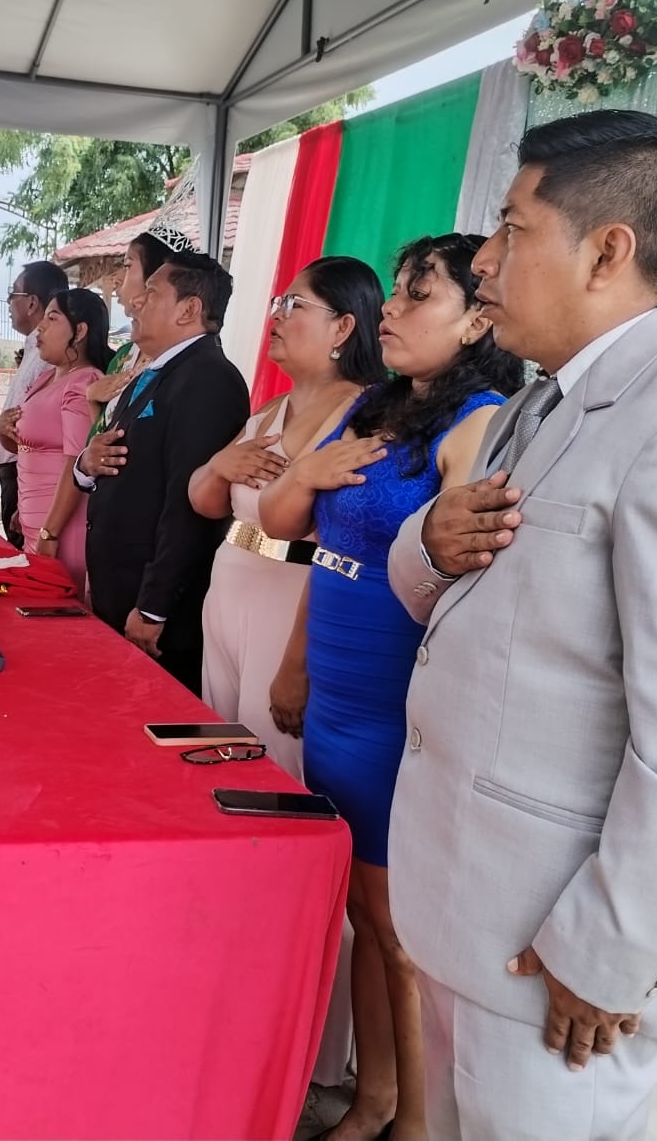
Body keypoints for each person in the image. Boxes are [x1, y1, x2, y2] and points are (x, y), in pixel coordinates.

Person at [385, 111, 657, 1141]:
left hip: (556, 962)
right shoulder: (535, 407)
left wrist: (610, 953)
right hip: (468, 907)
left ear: (607, 252)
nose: (484, 261)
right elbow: (454, 602)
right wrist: (429, 541)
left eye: (512, 227)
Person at [261, 234, 523, 1141]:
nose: (393, 312)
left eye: (418, 296)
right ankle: (373, 1097)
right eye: (397, 294)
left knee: (396, 929)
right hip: (333, 697)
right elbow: (289, 524)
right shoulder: (372, 407)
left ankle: (414, 1120)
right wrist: (305, 471)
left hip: (393, 707)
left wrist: (309, 477)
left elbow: (471, 573)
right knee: (363, 918)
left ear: (477, 320)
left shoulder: (479, 424)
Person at [191, 256, 385, 778]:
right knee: (221, 752)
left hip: (290, 606)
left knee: (274, 763)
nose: (275, 316)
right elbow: (205, 500)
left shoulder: (367, 416)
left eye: (294, 305)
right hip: (229, 591)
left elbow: (346, 545)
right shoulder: (268, 412)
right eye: (279, 302)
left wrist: (297, 662)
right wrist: (219, 464)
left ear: (343, 327)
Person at [77, 250, 248, 693]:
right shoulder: (154, 372)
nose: (135, 301)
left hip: (157, 606)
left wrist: (154, 606)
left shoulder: (209, 378)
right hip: (121, 587)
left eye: (151, 293)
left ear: (189, 309)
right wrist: (85, 464)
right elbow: (110, 452)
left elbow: (188, 504)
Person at [11, 288, 110, 589]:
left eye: (52, 318)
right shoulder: (48, 377)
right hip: (37, 522)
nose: (40, 327)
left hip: (61, 530)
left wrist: (50, 532)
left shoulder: (83, 382)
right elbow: (32, 448)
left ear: (79, 331)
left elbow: (76, 460)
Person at [0, 261, 68, 547]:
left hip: (25, 471)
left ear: (32, 302)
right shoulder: (33, 350)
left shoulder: (50, 356)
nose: (9, 302)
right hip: (16, 471)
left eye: (13, 294)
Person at [85, 231, 174, 432]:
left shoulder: (178, 361)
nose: (117, 277)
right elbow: (102, 436)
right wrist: (92, 398)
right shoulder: (124, 356)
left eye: (127, 265)